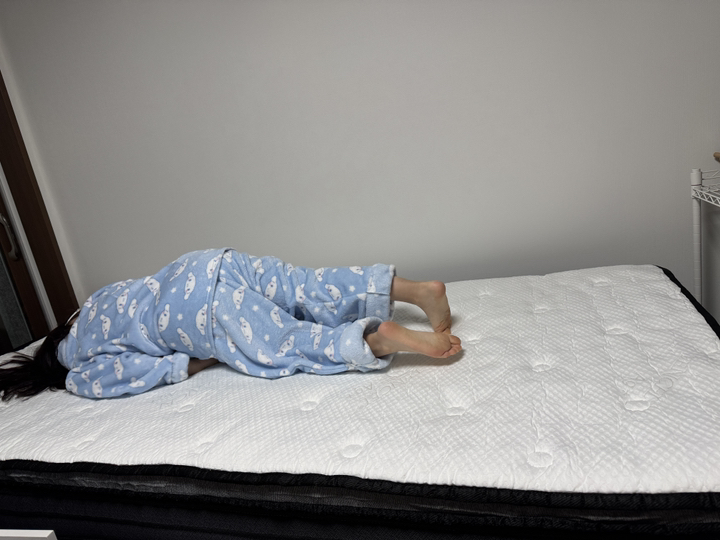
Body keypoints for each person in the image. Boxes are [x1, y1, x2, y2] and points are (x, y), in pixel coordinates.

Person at [0, 248, 461, 400]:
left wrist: (201, 360)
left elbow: (139, 372)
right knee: (305, 286)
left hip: (196, 312)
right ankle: (415, 290)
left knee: (286, 342)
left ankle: (376, 339)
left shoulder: (79, 371)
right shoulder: (89, 305)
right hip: (205, 264)